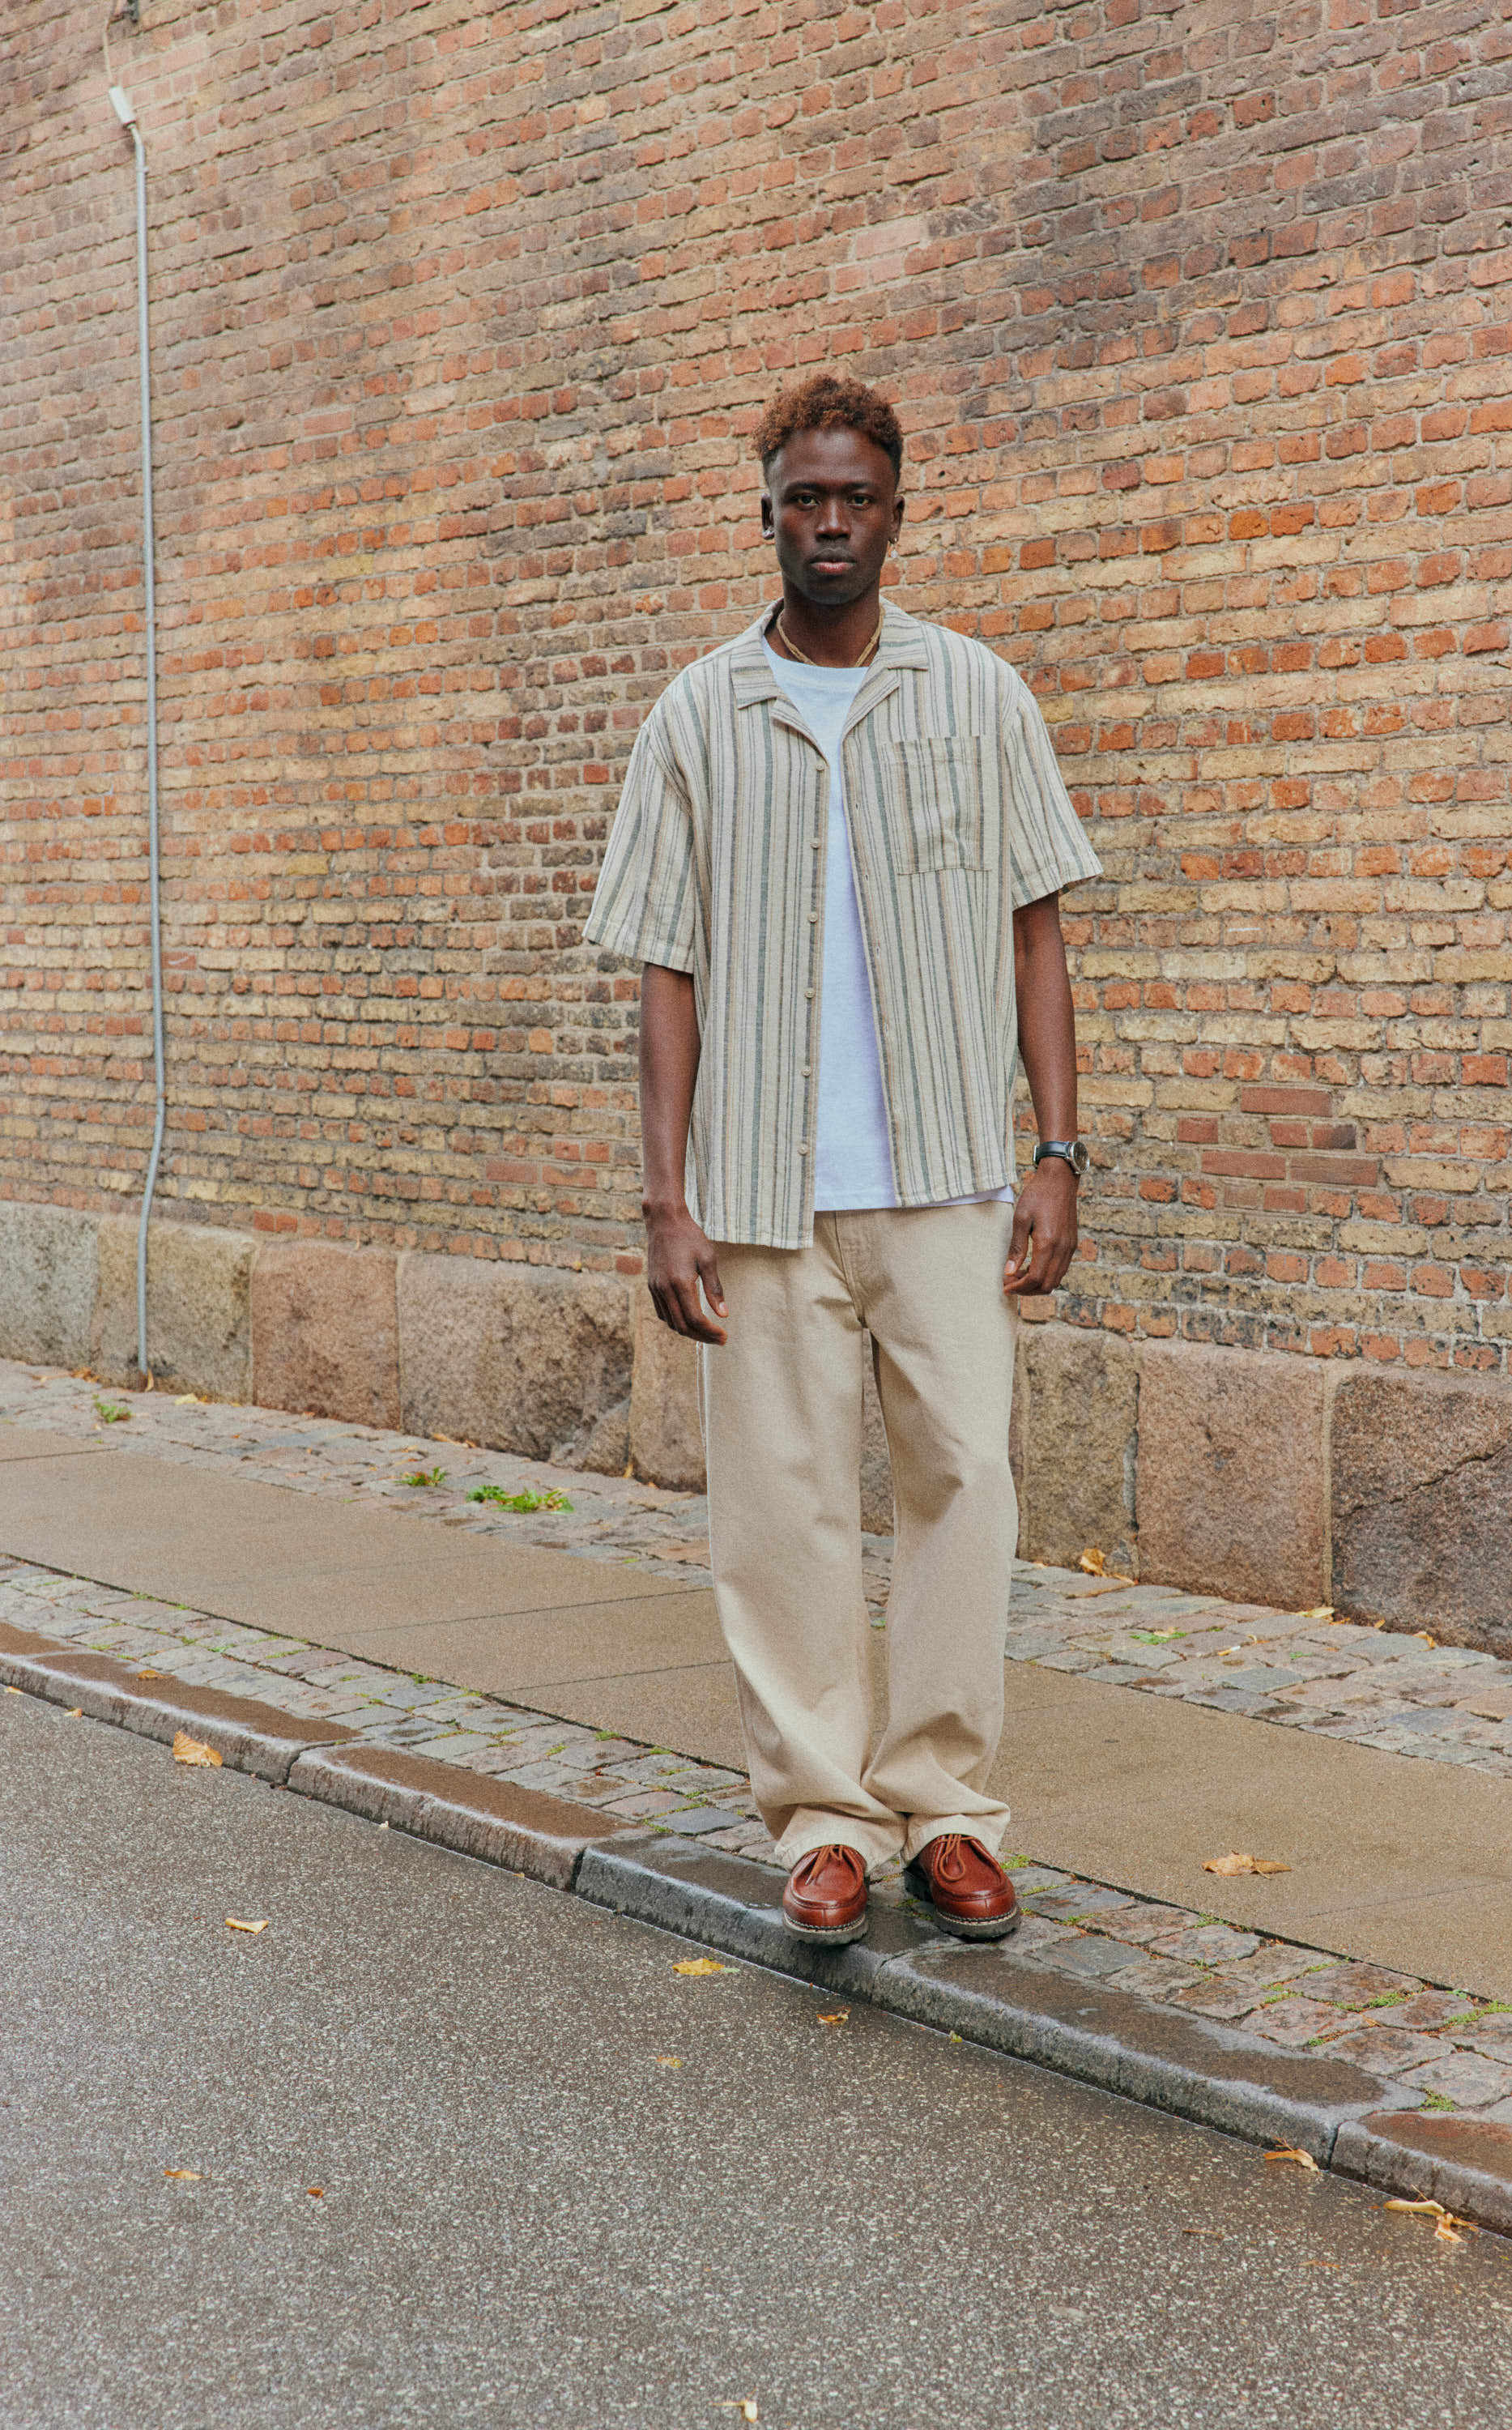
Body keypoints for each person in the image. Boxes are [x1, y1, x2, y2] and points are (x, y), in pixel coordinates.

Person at [585, 373, 1101, 1946]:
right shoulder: (696, 716)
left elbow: (1036, 933)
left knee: (967, 1483)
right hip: (760, 1193)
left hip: (946, 1179)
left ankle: (944, 1811)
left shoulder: (978, 697)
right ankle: (822, 1818)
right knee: (781, 1510)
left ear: (894, 513)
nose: (827, 522)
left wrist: (1057, 1151)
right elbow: (663, 969)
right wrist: (664, 1200)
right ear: (766, 514)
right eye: (801, 498)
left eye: (852, 498)